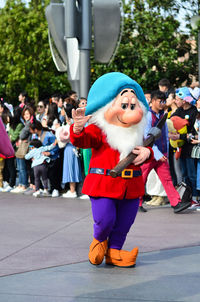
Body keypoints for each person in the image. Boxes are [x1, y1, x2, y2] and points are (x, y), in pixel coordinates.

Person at [70, 72, 154, 268]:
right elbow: (83, 141)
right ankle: (99, 240)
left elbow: (146, 148)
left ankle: (114, 250)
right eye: (124, 106)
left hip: (131, 186)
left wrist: (147, 153)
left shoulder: (137, 131)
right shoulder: (99, 129)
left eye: (133, 106)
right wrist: (77, 128)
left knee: (125, 222)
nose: (129, 110)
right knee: (105, 220)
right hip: (104, 184)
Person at [139, 90, 191, 213]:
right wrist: (157, 154)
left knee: (167, 179)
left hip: (162, 154)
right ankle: (137, 202)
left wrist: (165, 153)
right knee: (141, 179)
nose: (162, 103)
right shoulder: (147, 116)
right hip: (149, 154)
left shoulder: (163, 115)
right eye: (159, 101)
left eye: (163, 101)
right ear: (152, 101)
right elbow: (146, 136)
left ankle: (176, 203)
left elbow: (165, 136)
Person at [170, 87, 199, 208]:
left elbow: (194, 131)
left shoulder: (194, 112)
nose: (176, 101)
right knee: (184, 174)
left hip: (191, 147)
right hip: (180, 148)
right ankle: (186, 197)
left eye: (178, 99)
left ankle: (195, 197)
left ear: (185, 100)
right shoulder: (178, 111)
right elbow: (170, 122)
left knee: (192, 174)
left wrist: (181, 135)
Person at [29, 119, 61, 197]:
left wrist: (50, 153)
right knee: (35, 174)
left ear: (35, 129)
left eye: (31, 129)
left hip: (52, 158)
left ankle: (55, 189)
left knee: (52, 174)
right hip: (41, 160)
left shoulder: (49, 135)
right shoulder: (34, 136)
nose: (30, 131)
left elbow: (56, 146)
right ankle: (41, 188)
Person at [61, 107, 82, 198]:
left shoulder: (71, 124)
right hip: (70, 148)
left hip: (70, 147)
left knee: (71, 168)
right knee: (71, 168)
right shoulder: (71, 124)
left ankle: (73, 191)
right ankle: (72, 189)